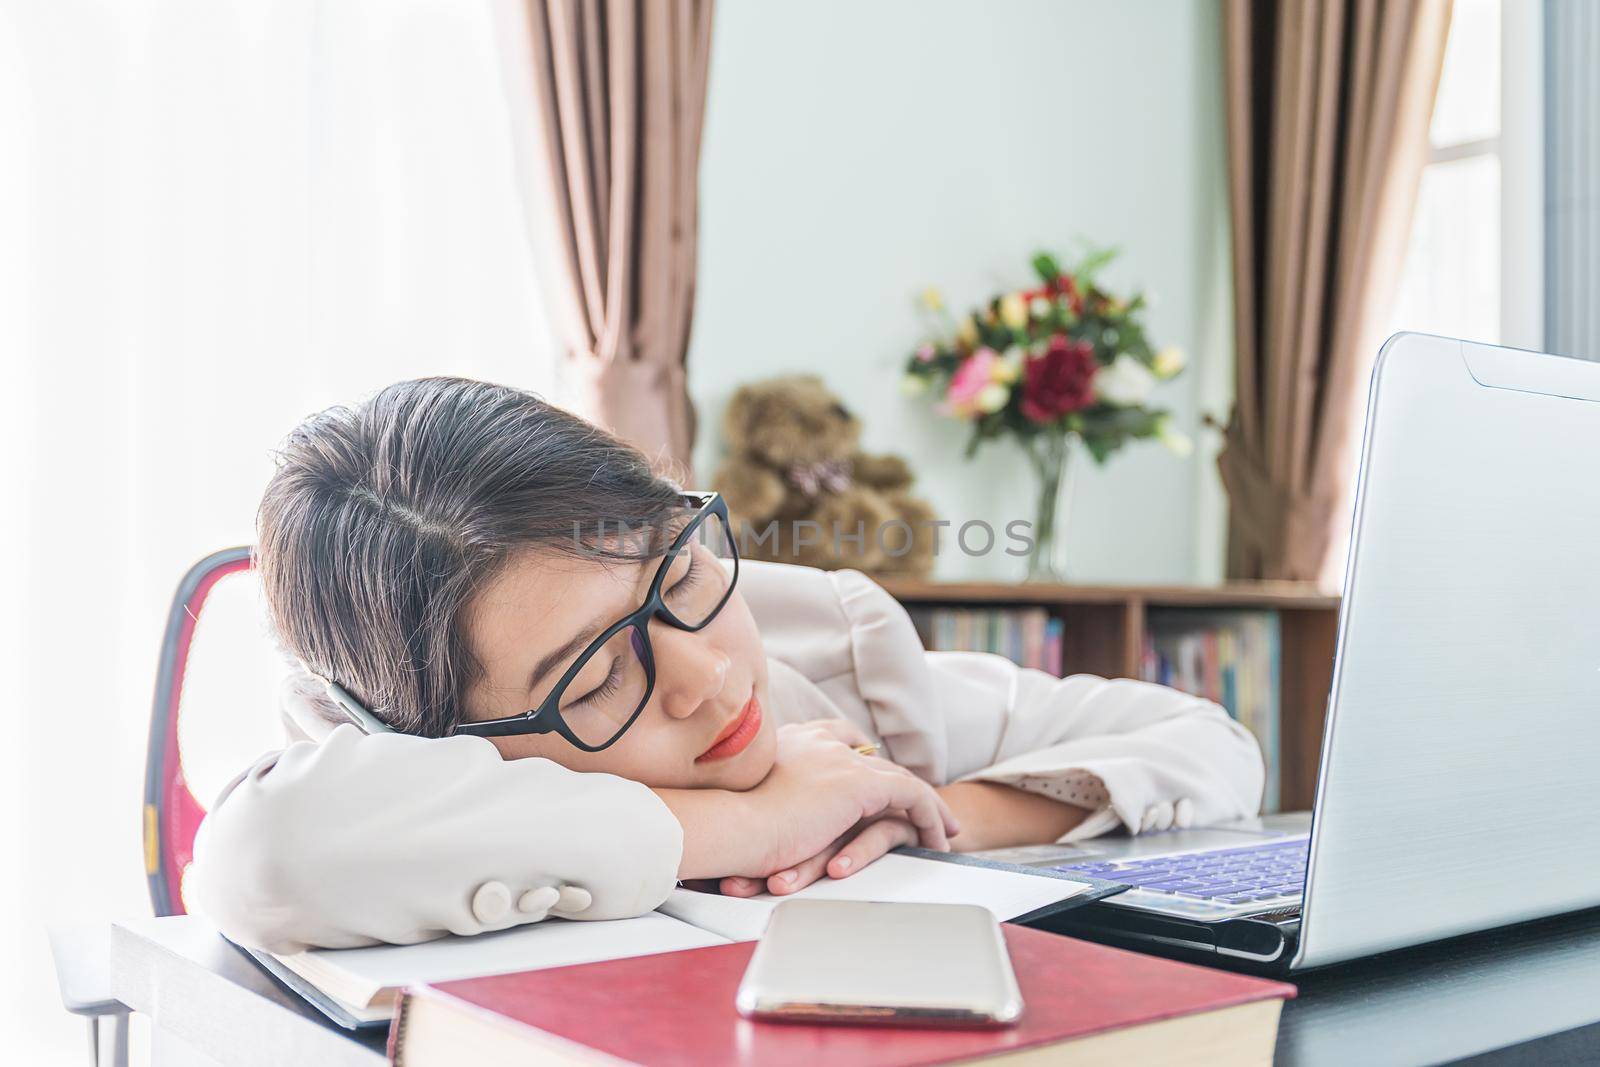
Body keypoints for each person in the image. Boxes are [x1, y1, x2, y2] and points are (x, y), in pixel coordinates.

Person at [189, 377, 1265, 954]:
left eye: (682, 569)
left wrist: (911, 810)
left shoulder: (828, 645)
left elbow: (1207, 741)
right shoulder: (363, 775)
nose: (702, 672)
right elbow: (268, 855)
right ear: (427, 734)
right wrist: (746, 827)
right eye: (598, 675)